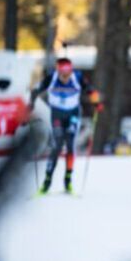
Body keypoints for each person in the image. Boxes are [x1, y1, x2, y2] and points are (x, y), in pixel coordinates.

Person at [28, 57, 90, 194]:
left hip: (73, 115)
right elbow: (34, 91)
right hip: (57, 115)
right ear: (58, 71)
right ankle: (47, 182)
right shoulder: (51, 78)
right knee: (56, 145)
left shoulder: (77, 77)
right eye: (63, 73)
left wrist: (97, 101)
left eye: (68, 73)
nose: (65, 77)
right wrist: (31, 105)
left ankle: (68, 181)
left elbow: (90, 91)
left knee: (70, 144)